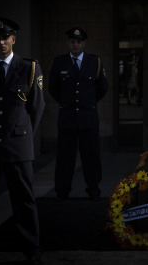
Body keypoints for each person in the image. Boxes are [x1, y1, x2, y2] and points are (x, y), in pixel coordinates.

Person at [0, 17, 45, 264]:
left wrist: (22, 137)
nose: (1, 42)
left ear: (13, 39)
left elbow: (36, 109)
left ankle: (32, 248)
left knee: (24, 201)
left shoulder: (29, 68)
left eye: (5, 38)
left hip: (17, 147)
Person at [48, 27, 108, 201]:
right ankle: (62, 191)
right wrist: (67, 103)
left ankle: (94, 190)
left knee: (91, 155)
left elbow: (102, 88)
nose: (75, 45)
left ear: (84, 44)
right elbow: (53, 87)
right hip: (67, 118)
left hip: (88, 118)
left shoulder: (94, 62)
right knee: (65, 156)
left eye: (79, 42)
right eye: (72, 42)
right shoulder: (60, 62)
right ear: (68, 43)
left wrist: (87, 103)